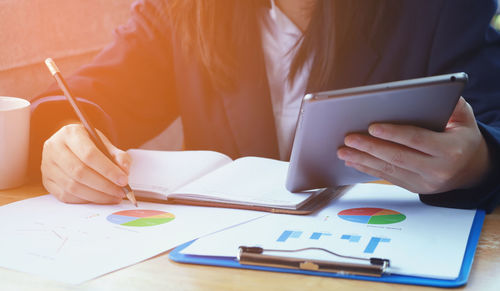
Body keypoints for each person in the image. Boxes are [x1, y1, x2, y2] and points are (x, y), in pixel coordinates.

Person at [30, 0, 500, 211]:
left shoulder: (442, 8)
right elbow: (91, 94)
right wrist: (66, 135)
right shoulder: (185, 7)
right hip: (218, 269)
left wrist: (478, 163)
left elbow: (492, 123)